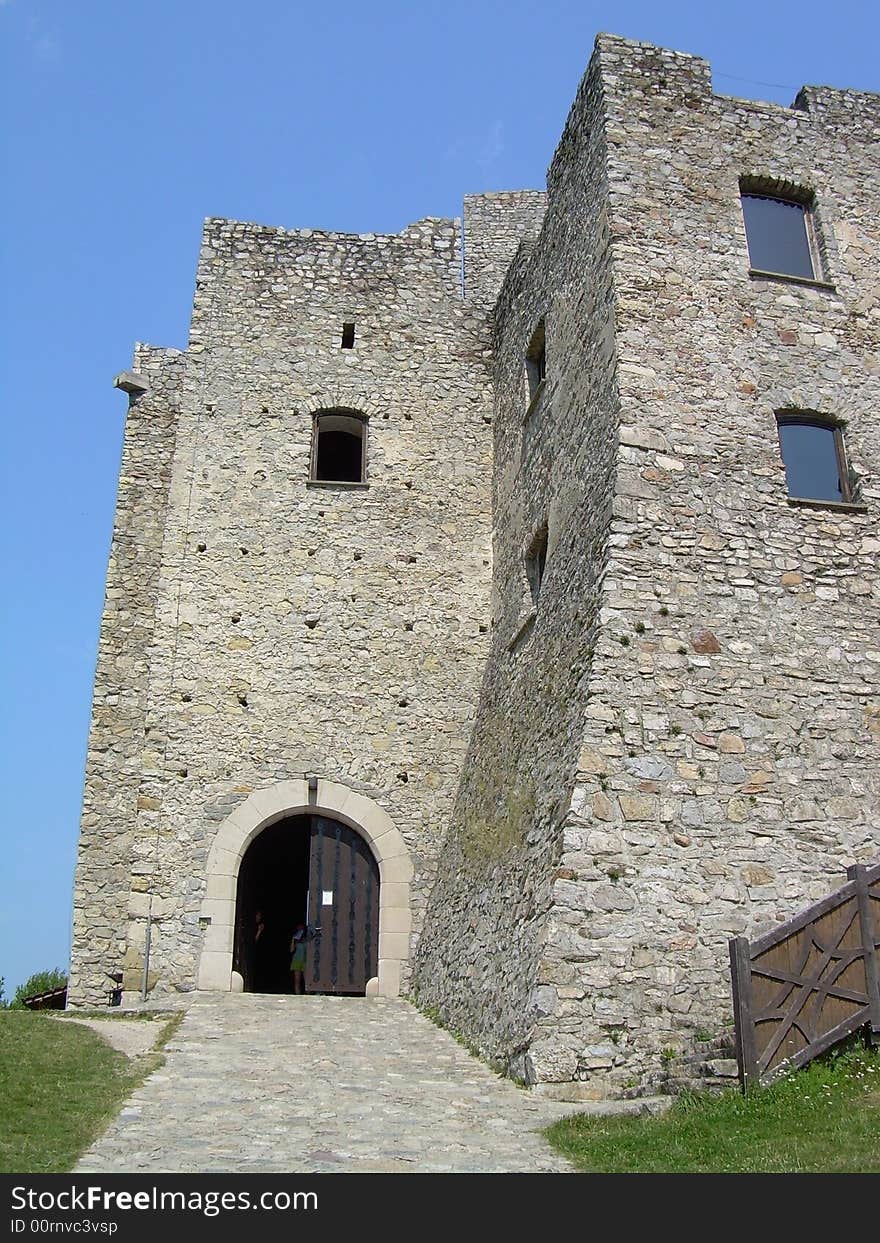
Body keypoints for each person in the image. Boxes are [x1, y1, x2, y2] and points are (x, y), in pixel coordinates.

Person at [289, 922, 309, 995]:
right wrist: (293, 939)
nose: (300, 930)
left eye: (301, 928)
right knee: (297, 980)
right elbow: (291, 950)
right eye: (299, 928)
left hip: (305, 961)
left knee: (307, 980)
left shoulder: (307, 939)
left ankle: (308, 995)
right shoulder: (296, 940)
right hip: (297, 960)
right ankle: (298, 996)